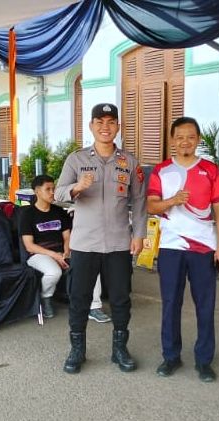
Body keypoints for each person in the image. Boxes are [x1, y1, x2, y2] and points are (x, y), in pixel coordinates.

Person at [55, 102, 147, 374]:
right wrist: (76, 187)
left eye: (111, 122)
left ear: (118, 126)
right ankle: (77, 350)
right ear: (91, 126)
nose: (105, 127)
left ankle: (120, 349)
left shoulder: (130, 162)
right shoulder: (76, 160)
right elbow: (58, 194)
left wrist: (139, 235)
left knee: (120, 298)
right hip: (85, 243)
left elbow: (139, 201)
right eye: (100, 122)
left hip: (118, 242)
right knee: (79, 297)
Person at [146, 117, 219, 383]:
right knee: (171, 303)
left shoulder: (211, 170)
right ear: (172, 140)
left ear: (198, 140)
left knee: (205, 305)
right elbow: (151, 206)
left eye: (191, 137)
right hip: (171, 247)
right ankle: (171, 356)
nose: (185, 142)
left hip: (204, 248)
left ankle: (204, 360)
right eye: (180, 137)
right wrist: (172, 201)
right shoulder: (161, 171)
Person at [19, 175, 72, 320]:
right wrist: (54, 255)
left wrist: (66, 252)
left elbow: (67, 236)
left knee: (88, 264)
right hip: (38, 254)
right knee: (54, 272)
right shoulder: (27, 215)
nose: (52, 192)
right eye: (48, 189)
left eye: (53, 189)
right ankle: (45, 297)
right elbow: (29, 246)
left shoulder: (59, 211)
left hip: (61, 251)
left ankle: (88, 303)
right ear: (37, 191)